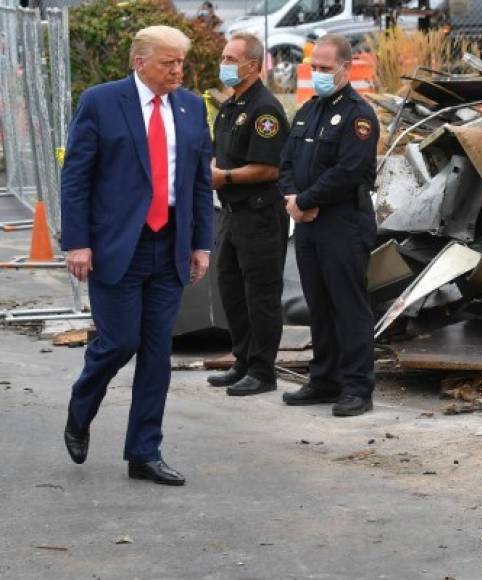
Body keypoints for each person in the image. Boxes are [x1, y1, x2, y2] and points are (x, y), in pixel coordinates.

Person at [61, 26, 213, 485]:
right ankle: (81, 407)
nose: (177, 71)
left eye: (180, 62)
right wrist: (77, 242)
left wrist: (201, 243)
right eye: (168, 62)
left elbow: (199, 183)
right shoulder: (102, 102)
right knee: (119, 342)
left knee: (156, 353)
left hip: (169, 244)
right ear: (138, 62)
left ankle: (144, 452)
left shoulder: (189, 107)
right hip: (115, 245)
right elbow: (77, 178)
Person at [279, 34, 378, 417]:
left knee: (348, 307)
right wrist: (292, 200)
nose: (318, 74)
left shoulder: (358, 115)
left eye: (324, 68)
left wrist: (305, 201)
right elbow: (286, 161)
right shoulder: (308, 110)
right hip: (307, 224)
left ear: (345, 68)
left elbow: (349, 171)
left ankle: (356, 387)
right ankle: (324, 379)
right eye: (313, 68)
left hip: (343, 223)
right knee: (318, 304)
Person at [207, 32, 290, 396]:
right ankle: (242, 359)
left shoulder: (264, 110)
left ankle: (262, 370)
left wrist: (222, 177)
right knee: (231, 288)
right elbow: (220, 154)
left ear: (253, 66)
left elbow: (269, 168)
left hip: (259, 215)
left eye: (230, 59)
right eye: (223, 58)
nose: (224, 65)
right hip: (231, 213)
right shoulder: (231, 106)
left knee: (261, 295)